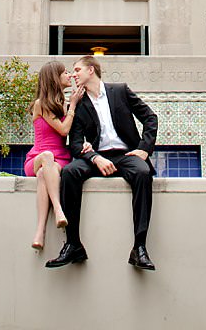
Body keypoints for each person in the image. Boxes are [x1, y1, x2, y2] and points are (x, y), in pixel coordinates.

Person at [46, 54, 159, 272]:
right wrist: (95, 157)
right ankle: (73, 244)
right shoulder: (78, 102)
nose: (73, 75)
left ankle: (140, 247)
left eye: (77, 70)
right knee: (69, 172)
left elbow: (150, 118)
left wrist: (144, 150)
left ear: (91, 70)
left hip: (126, 155)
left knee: (143, 173)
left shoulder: (120, 91)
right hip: (96, 157)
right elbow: (75, 144)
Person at [25, 61, 84, 251]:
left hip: (59, 161)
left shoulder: (63, 105)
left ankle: (39, 232)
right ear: (54, 78)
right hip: (37, 157)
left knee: (45, 174)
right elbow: (64, 130)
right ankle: (58, 209)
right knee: (47, 157)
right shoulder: (40, 104)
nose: (69, 75)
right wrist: (73, 105)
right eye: (65, 73)